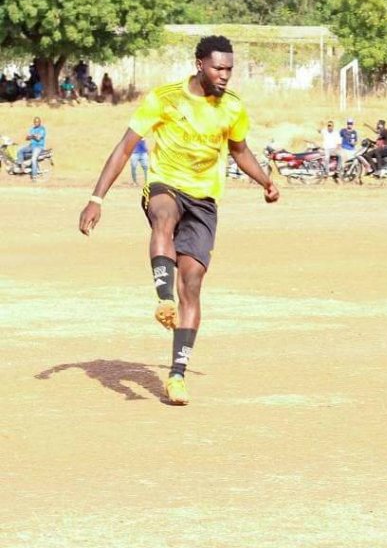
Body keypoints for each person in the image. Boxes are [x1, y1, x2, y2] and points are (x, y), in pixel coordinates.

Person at [78, 35, 279, 406]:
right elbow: (125, 148)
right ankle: (163, 298)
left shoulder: (233, 107)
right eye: (218, 68)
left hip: (204, 200)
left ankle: (177, 374)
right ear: (200, 64)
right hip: (165, 183)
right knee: (163, 215)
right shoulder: (165, 98)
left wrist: (265, 181)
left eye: (229, 69)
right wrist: (96, 198)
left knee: (193, 281)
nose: (224, 75)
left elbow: (240, 151)